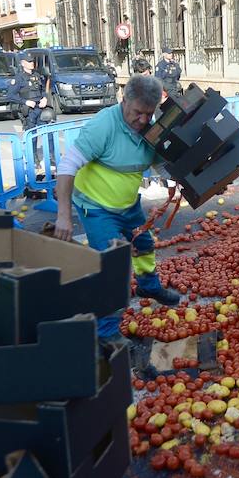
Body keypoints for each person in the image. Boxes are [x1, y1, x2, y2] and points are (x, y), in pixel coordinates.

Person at [52, 76, 181, 344]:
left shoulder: (149, 128)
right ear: (124, 102)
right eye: (137, 113)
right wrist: (63, 214)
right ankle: (107, 331)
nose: (143, 120)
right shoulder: (103, 126)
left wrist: (178, 181)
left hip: (128, 205)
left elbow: (160, 163)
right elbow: (67, 167)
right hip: (97, 208)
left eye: (149, 113)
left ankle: (149, 287)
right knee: (112, 266)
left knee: (144, 244)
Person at [9, 55, 51, 132]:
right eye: (29, 62)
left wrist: (44, 98)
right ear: (23, 63)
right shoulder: (19, 78)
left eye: (32, 61)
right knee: (32, 136)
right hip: (29, 111)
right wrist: (26, 102)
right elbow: (11, 95)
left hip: (40, 108)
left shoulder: (37, 75)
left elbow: (43, 89)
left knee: (47, 133)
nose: (32, 63)